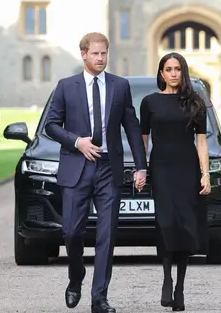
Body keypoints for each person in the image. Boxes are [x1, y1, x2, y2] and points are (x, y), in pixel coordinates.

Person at [45, 32, 148, 313]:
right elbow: (51, 126)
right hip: (76, 167)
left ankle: (99, 297)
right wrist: (77, 142)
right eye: (95, 54)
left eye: (104, 54)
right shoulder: (66, 87)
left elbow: (132, 126)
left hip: (108, 169)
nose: (100, 59)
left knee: (107, 234)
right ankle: (76, 276)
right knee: (71, 232)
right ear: (84, 54)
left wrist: (141, 166)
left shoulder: (120, 86)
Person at [139, 52, 211, 312]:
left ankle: (180, 286)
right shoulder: (149, 103)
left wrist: (205, 174)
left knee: (184, 226)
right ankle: (167, 278)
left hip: (187, 169)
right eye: (168, 69)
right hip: (161, 169)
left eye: (177, 69)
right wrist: (141, 169)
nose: (172, 73)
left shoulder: (195, 103)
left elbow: (201, 141)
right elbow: (143, 139)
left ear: (183, 72)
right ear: (161, 73)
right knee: (166, 222)